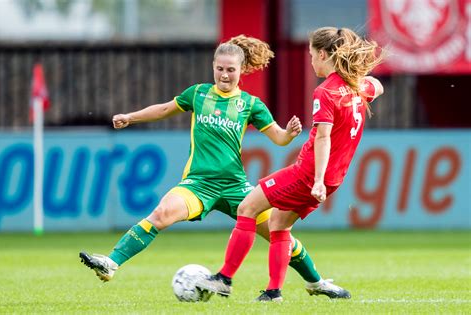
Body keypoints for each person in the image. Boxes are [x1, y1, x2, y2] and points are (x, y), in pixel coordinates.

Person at [79, 35, 340, 298]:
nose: (224, 75)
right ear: (213, 66)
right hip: (198, 184)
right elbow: (163, 109)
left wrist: (289, 133)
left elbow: (279, 138)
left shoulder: (250, 104)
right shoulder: (198, 94)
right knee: (160, 214)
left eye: (230, 70)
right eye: (219, 69)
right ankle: (110, 263)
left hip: (236, 187)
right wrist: (129, 117)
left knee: (278, 232)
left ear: (241, 70)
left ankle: (316, 283)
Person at [196, 27, 384, 302]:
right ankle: (273, 292)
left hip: (308, 174)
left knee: (247, 208)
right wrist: (356, 77)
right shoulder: (357, 87)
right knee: (279, 225)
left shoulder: (326, 92)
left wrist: (316, 179)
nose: (311, 61)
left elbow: (322, 138)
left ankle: (224, 278)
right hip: (334, 178)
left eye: (311, 55)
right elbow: (377, 86)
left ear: (322, 54)